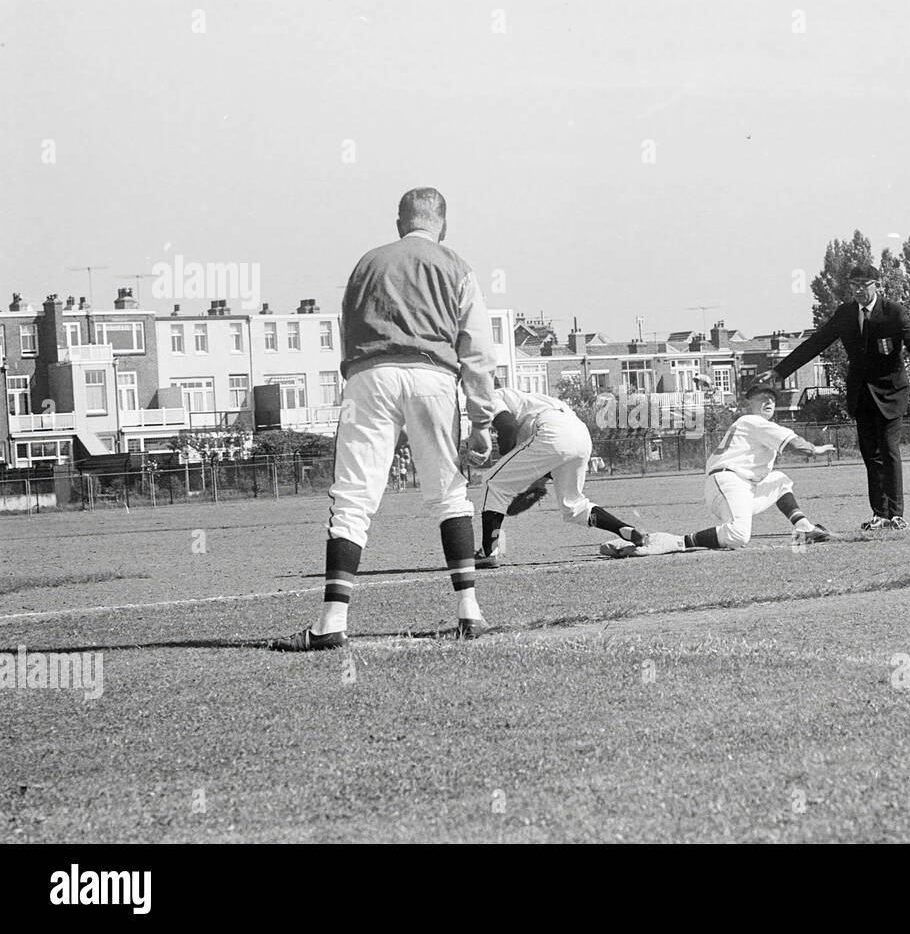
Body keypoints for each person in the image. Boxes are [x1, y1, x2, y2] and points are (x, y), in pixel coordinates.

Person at [270, 187, 496, 650]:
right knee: (449, 494)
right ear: (443, 225)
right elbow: (477, 346)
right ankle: (469, 613)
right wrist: (481, 419)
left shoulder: (367, 264)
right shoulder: (457, 265)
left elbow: (347, 329)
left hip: (368, 377)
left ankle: (332, 621)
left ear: (399, 223)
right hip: (432, 376)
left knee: (353, 497)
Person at [756, 264, 910, 531]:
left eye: (864, 284)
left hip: (891, 392)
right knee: (870, 454)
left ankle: (896, 514)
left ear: (877, 285)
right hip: (861, 394)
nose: (858, 290)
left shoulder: (894, 312)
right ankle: (879, 515)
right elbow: (816, 343)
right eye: (854, 285)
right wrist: (780, 371)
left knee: (889, 450)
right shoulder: (845, 313)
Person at [605, 385, 835, 556]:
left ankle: (804, 528)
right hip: (728, 481)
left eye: (772, 398)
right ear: (748, 405)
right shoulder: (751, 420)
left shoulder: (757, 425)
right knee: (738, 536)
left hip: (740, 486)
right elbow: (796, 445)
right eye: (762, 398)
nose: (769, 402)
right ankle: (675, 541)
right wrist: (816, 449)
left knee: (780, 480)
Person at [475, 384, 649, 567]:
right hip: (579, 434)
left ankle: (488, 552)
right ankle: (626, 531)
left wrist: (504, 468)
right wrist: (535, 488)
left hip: (551, 431)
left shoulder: (492, 394)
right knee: (574, 506)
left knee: (492, 482)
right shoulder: (533, 399)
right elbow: (540, 466)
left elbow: (508, 427)